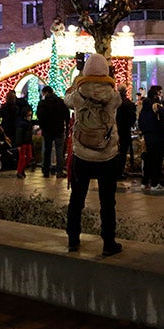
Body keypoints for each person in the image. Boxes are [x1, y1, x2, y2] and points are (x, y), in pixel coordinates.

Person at [64, 52, 122, 256]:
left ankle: (73, 239)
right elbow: (118, 104)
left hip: (82, 156)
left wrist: (77, 78)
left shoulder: (78, 95)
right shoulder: (113, 95)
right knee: (107, 202)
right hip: (108, 156)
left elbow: (67, 100)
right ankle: (108, 243)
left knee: (76, 200)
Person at [138, 85, 164, 192]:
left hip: (147, 137)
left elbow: (140, 122)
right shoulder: (157, 107)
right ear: (156, 95)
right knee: (156, 161)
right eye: (160, 93)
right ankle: (154, 183)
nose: (161, 95)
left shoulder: (144, 108)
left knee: (148, 160)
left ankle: (144, 182)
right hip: (158, 138)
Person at [37, 85, 70, 177]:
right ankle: (59, 171)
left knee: (47, 150)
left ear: (46, 93)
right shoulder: (60, 101)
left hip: (47, 130)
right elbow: (67, 115)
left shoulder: (43, 103)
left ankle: (46, 171)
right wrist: (66, 126)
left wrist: (42, 126)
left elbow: (40, 116)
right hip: (59, 129)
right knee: (59, 151)